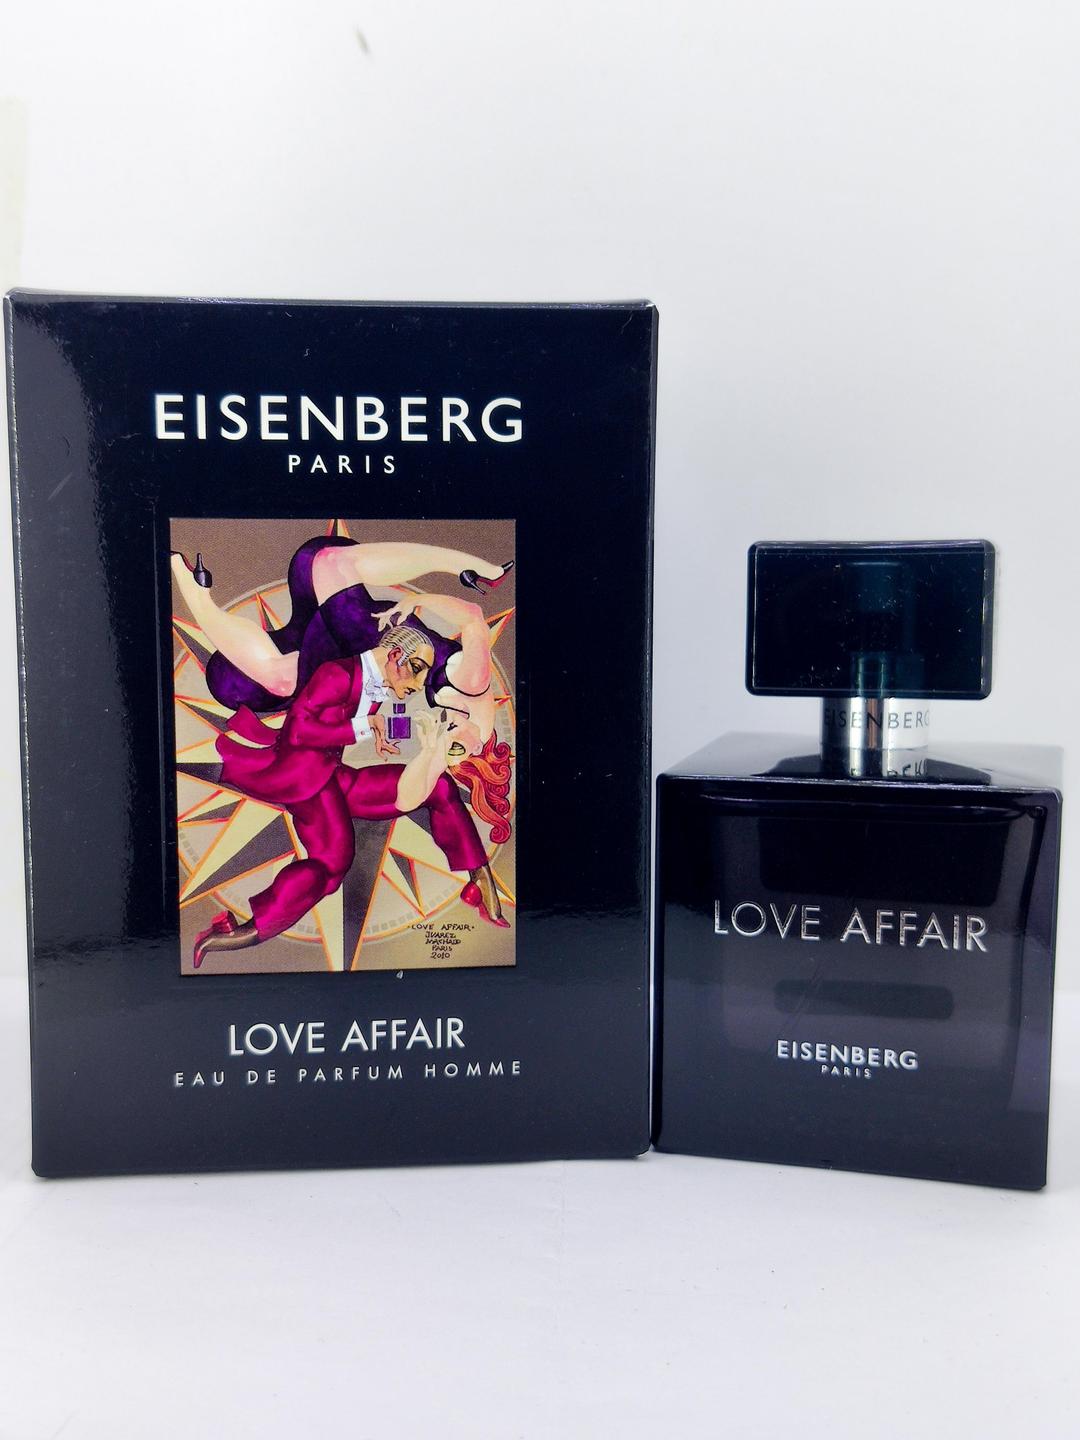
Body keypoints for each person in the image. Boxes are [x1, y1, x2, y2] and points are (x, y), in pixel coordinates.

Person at [191, 628, 512, 969]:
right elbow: (298, 733)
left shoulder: (375, 680)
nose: (419, 685)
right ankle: (245, 931)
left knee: (438, 786)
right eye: (417, 670)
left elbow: (377, 723)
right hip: (307, 785)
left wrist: (416, 730)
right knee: (332, 864)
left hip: (333, 776)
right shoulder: (336, 675)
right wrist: (363, 725)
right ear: (395, 657)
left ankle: (480, 880)